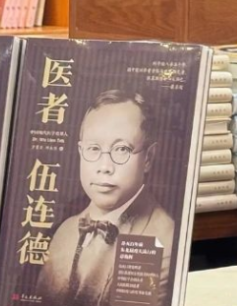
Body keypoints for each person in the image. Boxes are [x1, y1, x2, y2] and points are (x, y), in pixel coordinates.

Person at [36, 90, 174, 306]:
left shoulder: (164, 238)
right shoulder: (65, 230)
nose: (104, 167)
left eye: (122, 149)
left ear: (148, 158)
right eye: (93, 148)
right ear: (80, 151)